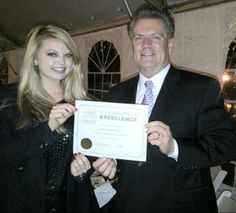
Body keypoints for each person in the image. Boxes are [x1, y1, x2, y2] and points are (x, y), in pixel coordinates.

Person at [105, 4, 236, 213]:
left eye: (155, 37)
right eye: (138, 37)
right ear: (132, 44)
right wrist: (108, 160)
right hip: (128, 203)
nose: (146, 44)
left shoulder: (202, 88)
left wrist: (174, 148)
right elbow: (112, 145)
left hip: (180, 205)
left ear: (170, 43)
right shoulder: (117, 94)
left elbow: (225, 146)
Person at [0, 24, 116, 213]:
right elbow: (4, 157)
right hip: (22, 202)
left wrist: (93, 169)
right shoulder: (8, 99)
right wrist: (48, 128)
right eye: (52, 54)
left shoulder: (84, 104)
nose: (61, 61)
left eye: (68, 55)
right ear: (35, 58)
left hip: (67, 204)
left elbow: (93, 163)